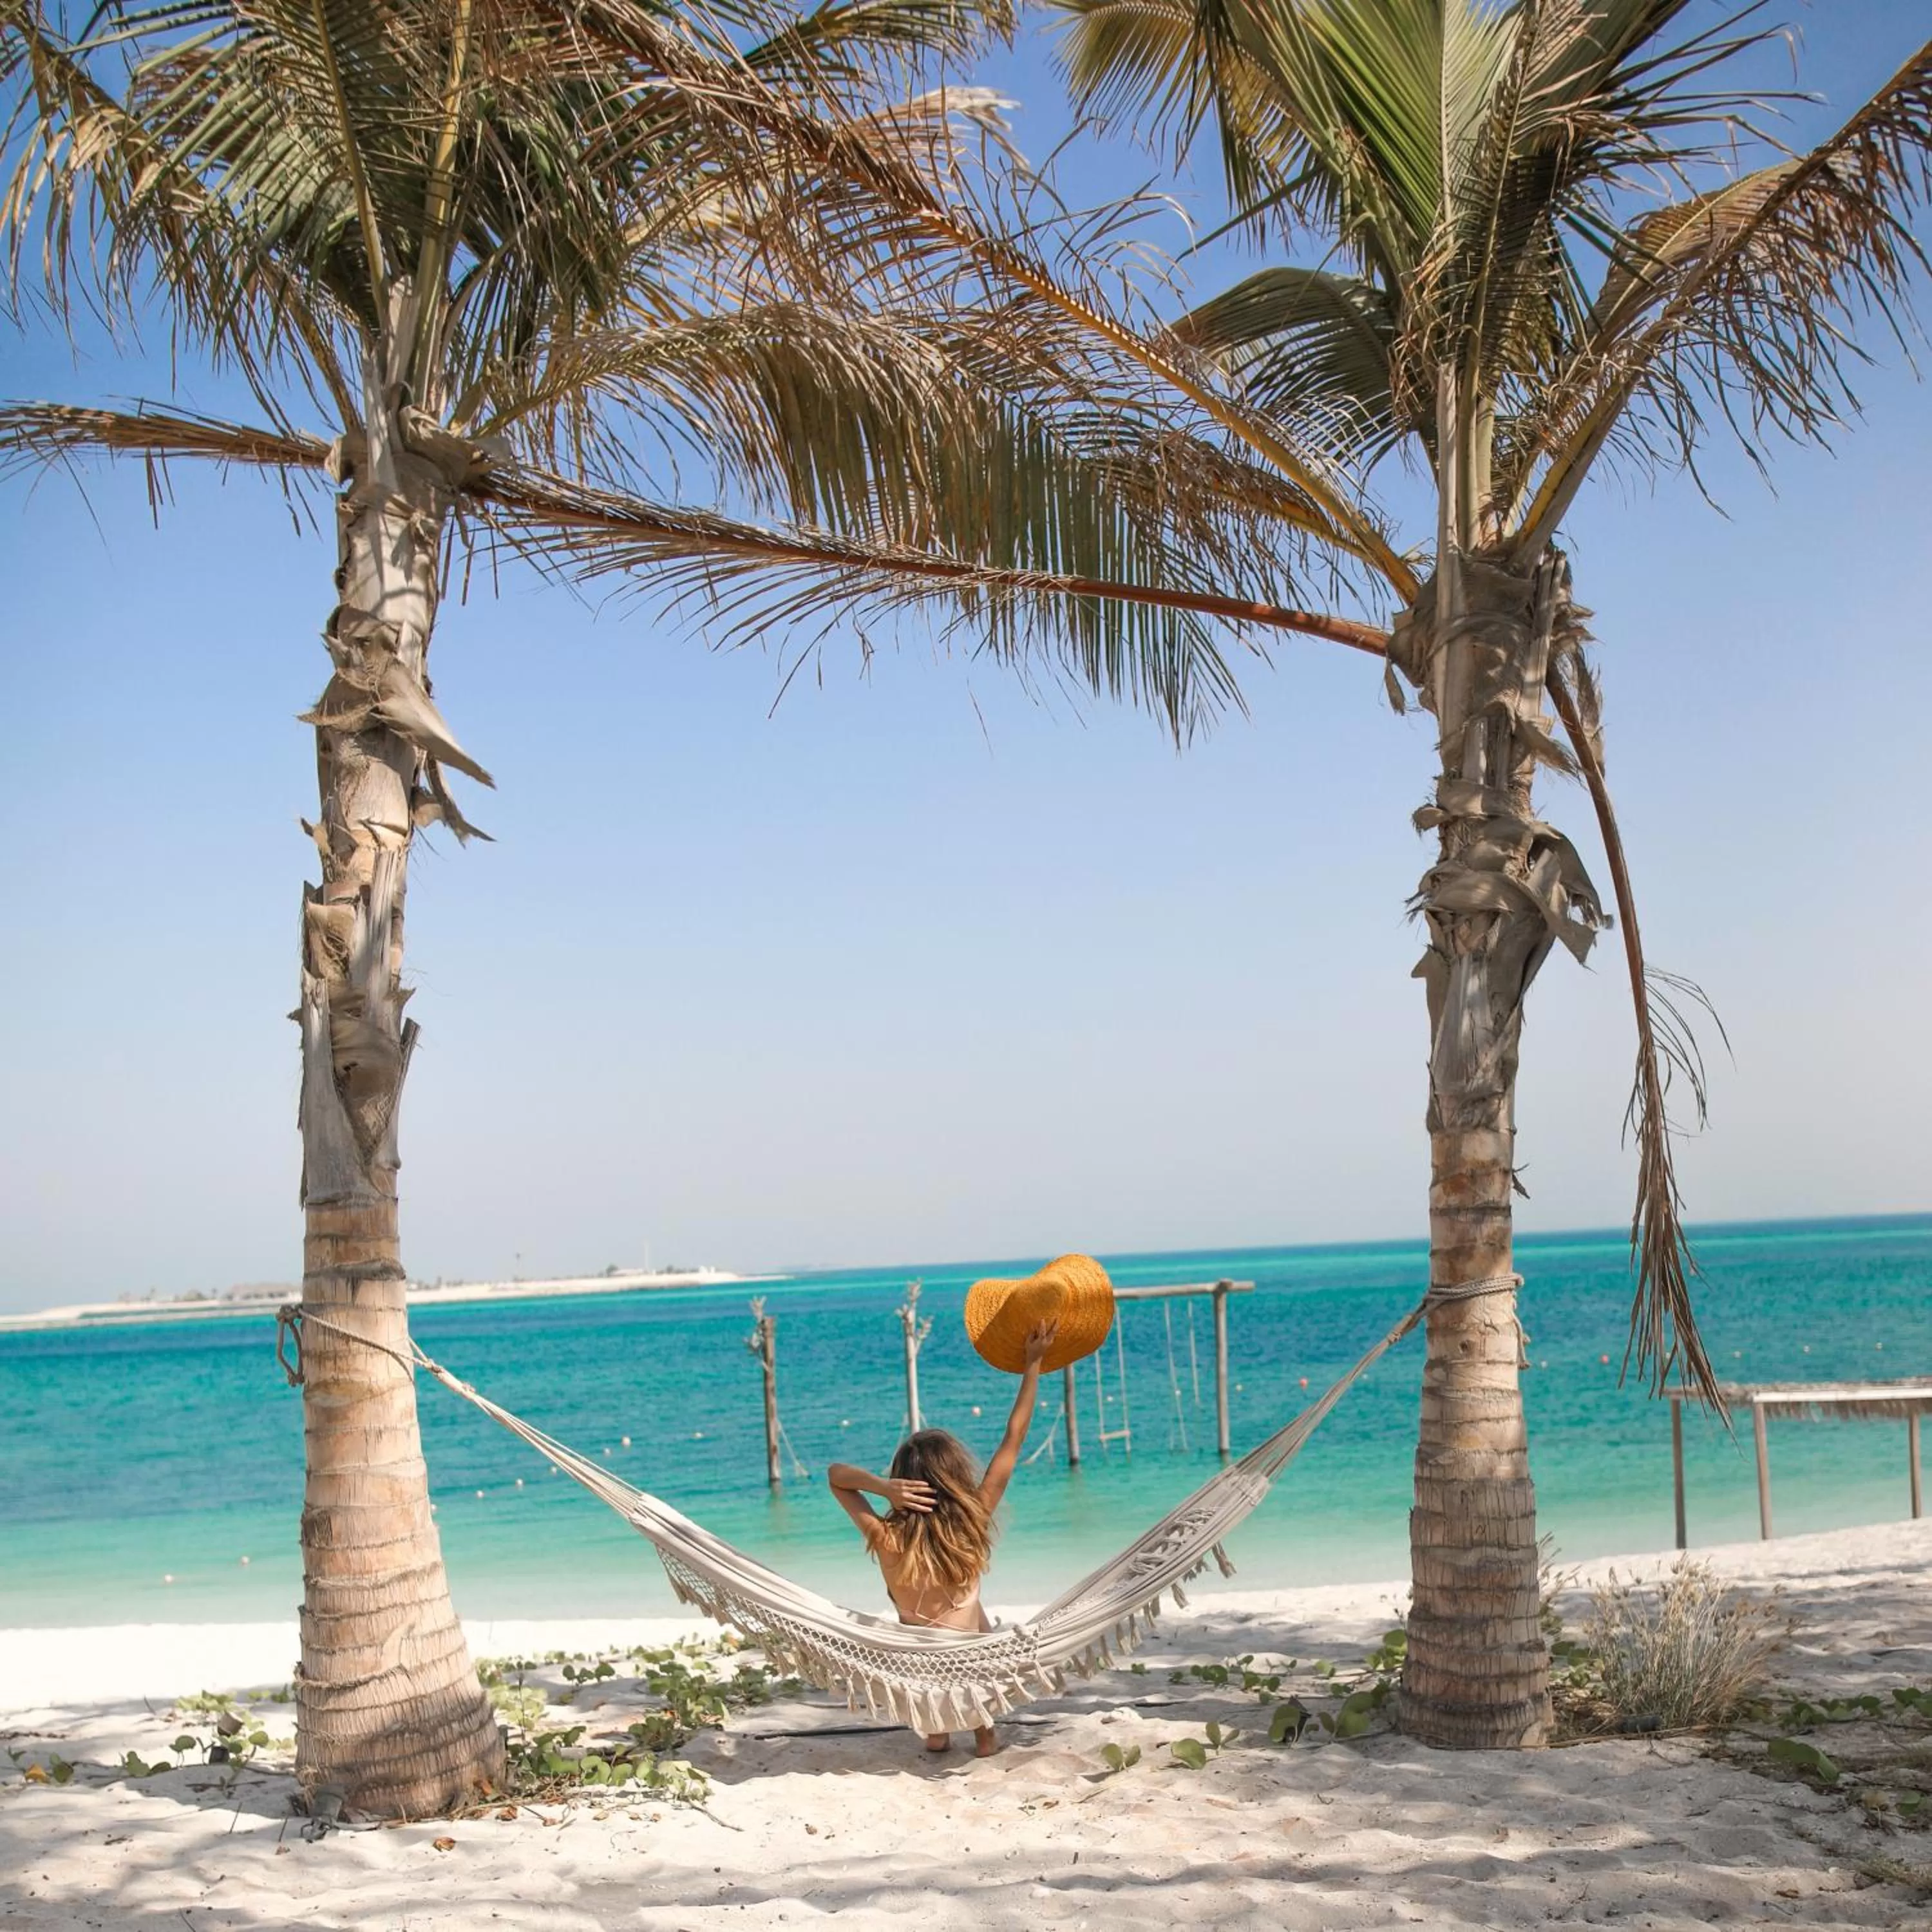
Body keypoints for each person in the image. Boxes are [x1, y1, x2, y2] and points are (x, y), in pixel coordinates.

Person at [826, 1317, 1059, 1756]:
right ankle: (984, 1734)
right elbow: (1014, 1437)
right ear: (955, 1479)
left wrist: (882, 1488)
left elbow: (836, 1477)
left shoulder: (887, 1538)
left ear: (904, 1481)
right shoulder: (972, 1523)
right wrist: (1033, 1364)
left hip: (923, 1682)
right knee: (975, 1622)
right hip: (975, 1677)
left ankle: (937, 1734)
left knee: (932, 1666)